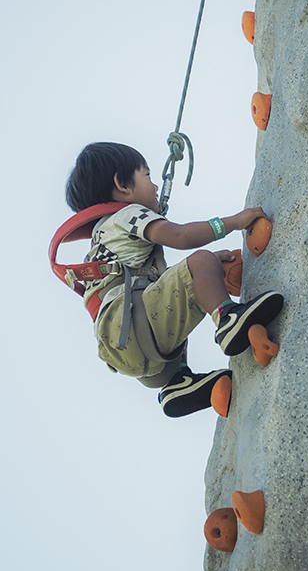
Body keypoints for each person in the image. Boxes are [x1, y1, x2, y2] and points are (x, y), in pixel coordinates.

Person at [63, 141, 284, 417]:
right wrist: (233, 223)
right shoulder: (126, 215)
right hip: (133, 321)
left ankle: (175, 384)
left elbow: (168, 285)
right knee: (199, 260)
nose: (155, 187)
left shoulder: (102, 241)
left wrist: (211, 268)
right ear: (123, 185)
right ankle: (227, 319)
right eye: (147, 176)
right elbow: (180, 237)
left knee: (178, 295)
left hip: (127, 354)